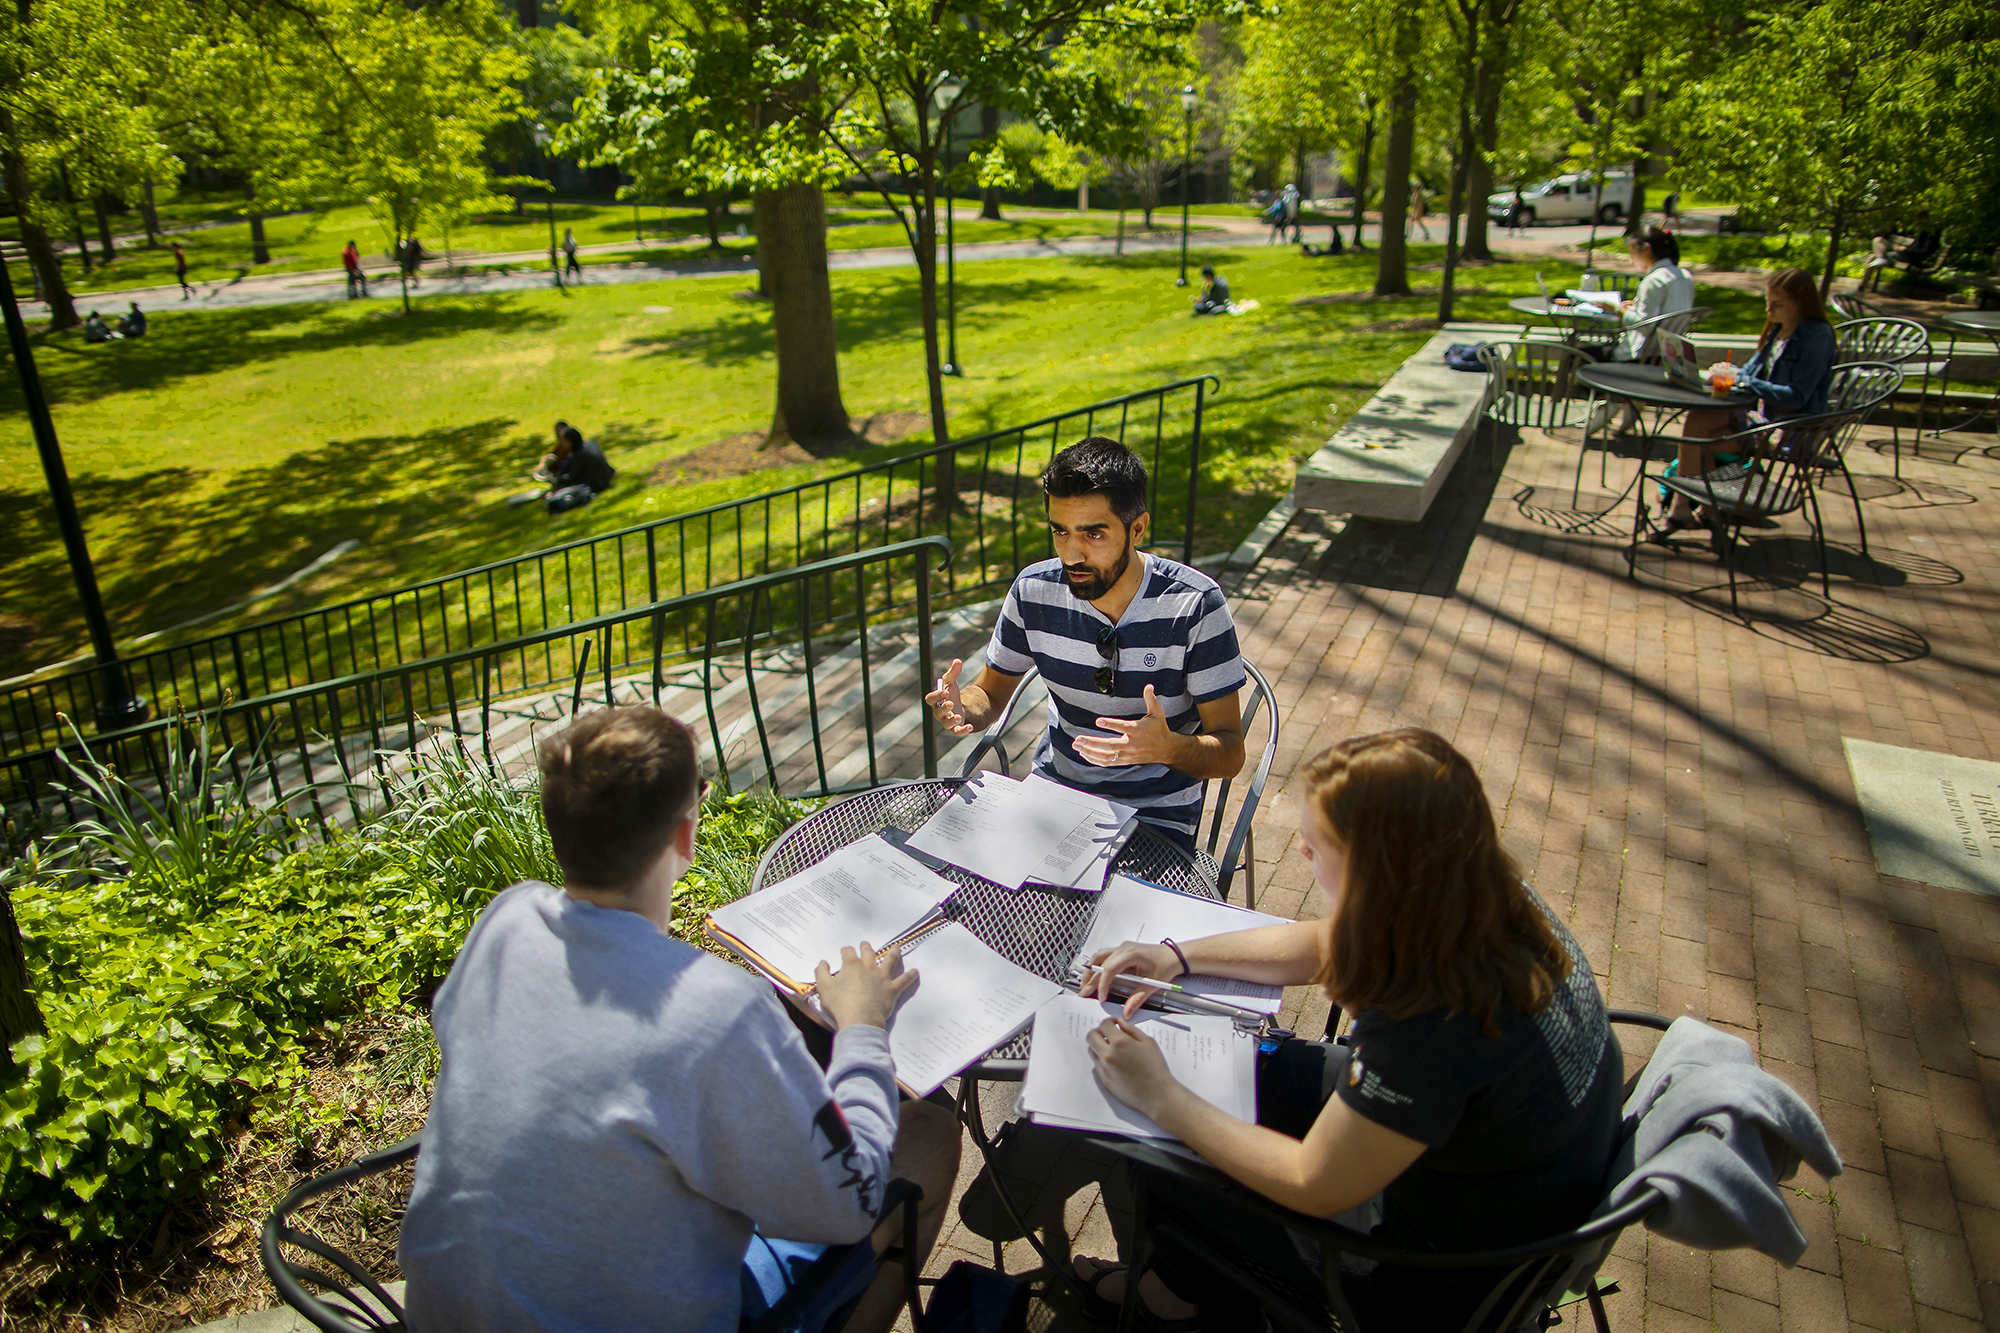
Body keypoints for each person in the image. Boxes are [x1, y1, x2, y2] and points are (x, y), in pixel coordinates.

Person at [396, 706, 960, 1333]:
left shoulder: (503, 923)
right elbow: (847, 1206)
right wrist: (860, 1026)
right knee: (931, 1136)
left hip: (448, 1313)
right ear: (683, 837)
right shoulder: (713, 1007)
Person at [1070, 728, 1624, 1332]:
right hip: (1476, 1173)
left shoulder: (1427, 1018)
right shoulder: (1475, 893)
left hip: (1430, 1274)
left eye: (1317, 845)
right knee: (1237, 1073)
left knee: (1159, 1147)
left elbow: (1314, 1185)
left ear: (1377, 871)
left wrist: (1160, 1096)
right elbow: (1322, 945)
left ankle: (1179, 1302)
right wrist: (1175, 955)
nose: (1301, 852)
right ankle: (1186, 1285)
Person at [925, 437, 1245, 854]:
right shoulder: (1033, 592)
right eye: (1060, 531)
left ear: (1138, 528)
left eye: (1093, 534)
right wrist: (963, 705)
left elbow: (1230, 751)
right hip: (1053, 795)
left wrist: (1168, 747)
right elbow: (990, 691)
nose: (1072, 554)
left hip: (1154, 815)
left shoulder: (1194, 605)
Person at [1650, 266, 1836, 541]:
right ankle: (1701, 512)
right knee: (1699, 420)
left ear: (1800, 304)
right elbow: (1750, 372)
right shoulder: (1779, 330)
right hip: (1760, 420)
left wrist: (1745, 381)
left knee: (1697, 439)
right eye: (1767, 302)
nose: (1769, 310)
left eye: (1777, 304)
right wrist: (1730, 372)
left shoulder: (1816, 335)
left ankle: (1686, 509)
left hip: (1790, 429)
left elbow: (1797, 396)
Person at [1612, 225, 1694, 362]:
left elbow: (1645, 325)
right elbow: (1667, 310)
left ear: (1646, 249)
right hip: (1669, 354)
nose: (1631, 260)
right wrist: (1636, 306)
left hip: (1644, 355)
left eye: (1632, 253)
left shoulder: (1654, 280)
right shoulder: (1685, 276)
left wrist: (1620, 311)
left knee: (1577, 357)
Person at [1862, 211, 1941, 292]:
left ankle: (1861, 288)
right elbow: (1915, 245)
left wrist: (1905, 249)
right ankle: (1880, 258)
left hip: (1910, 258)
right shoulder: (1923, 229)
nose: (1916, 220)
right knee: (1878, 240)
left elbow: (1925, 251)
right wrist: (1901, 247)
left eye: (1918, 218)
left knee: (1872, 257)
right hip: (1904, 253)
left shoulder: (1932, 231)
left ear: (1924, 217)